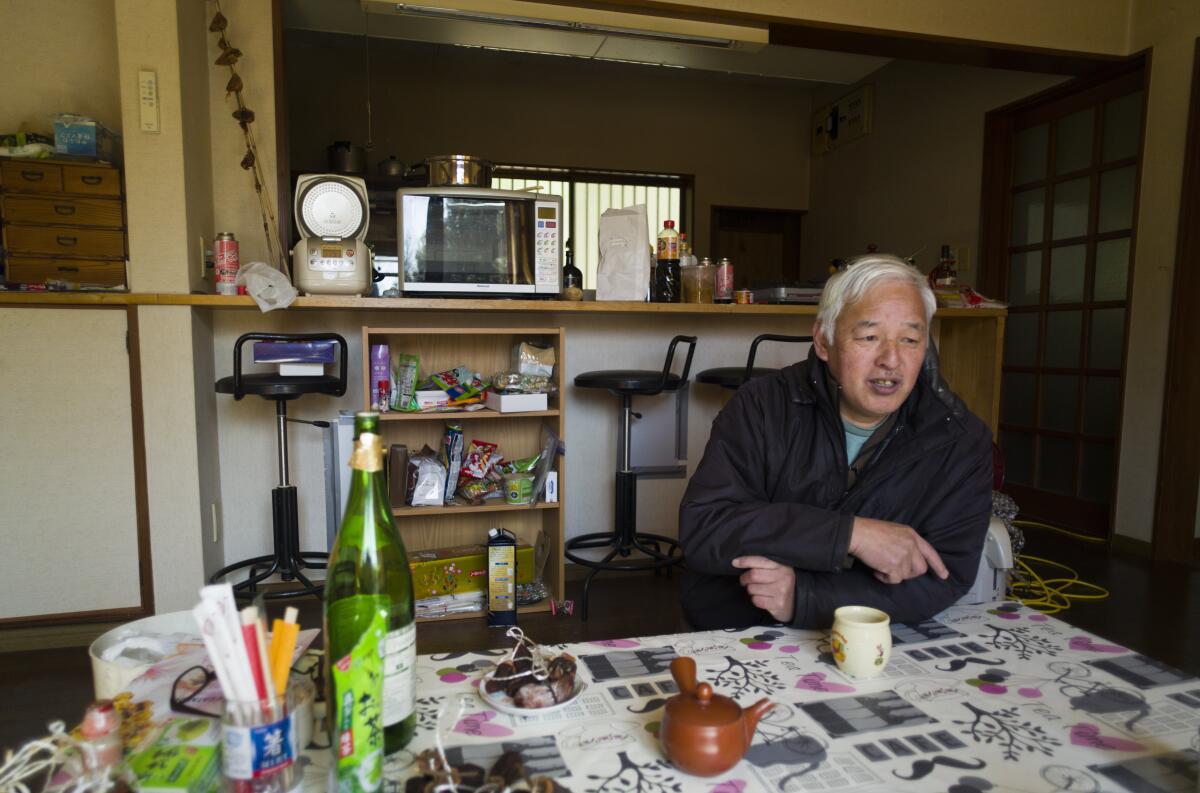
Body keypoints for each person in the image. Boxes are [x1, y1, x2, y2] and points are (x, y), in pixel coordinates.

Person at [678, 254, 993, 629]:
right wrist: (851, 535)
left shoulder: (959, 439)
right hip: (741, 630)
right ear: (824, 342)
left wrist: (805, 597)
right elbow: (705, 528)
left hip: (872, 642)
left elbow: (946, 576)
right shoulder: (762, 405)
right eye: (869, 337)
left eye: (910, 339)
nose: (891, 359)